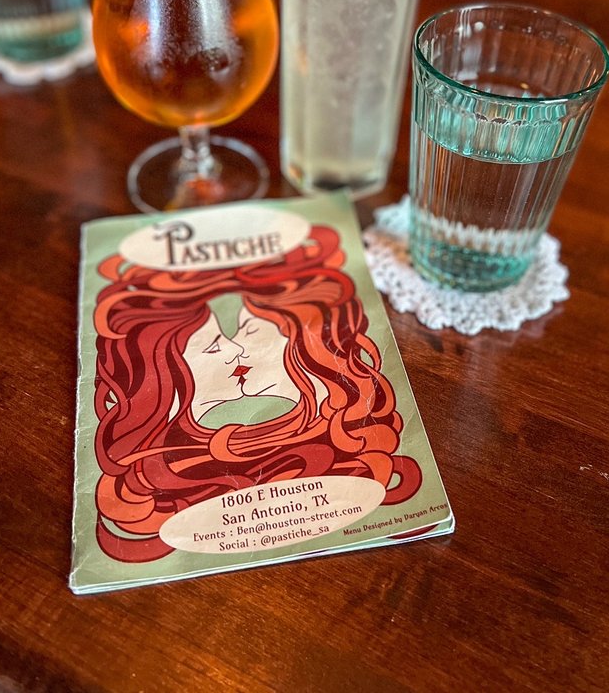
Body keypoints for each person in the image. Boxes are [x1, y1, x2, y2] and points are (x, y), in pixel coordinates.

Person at [92, 225, 422, 563]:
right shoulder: (162, 466)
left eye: (250, 332)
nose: (237, 352)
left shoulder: (342, 426)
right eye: (212, 346)